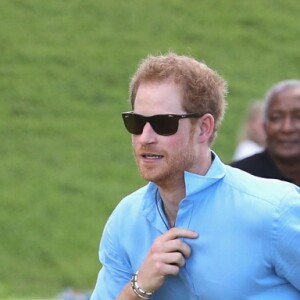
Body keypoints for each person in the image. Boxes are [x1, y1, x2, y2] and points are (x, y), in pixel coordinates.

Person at [91, 53, 300, 299]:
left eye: (163, 123)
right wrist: (139, 287)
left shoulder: (275, 211)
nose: (145, 138)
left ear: (204, 128)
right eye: (136, 123)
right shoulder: (124, 221)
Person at [231, 80, 300, 186]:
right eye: (276, 117)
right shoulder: (236, 180)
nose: (287, 128)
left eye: (298, 117)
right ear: (265, 126)